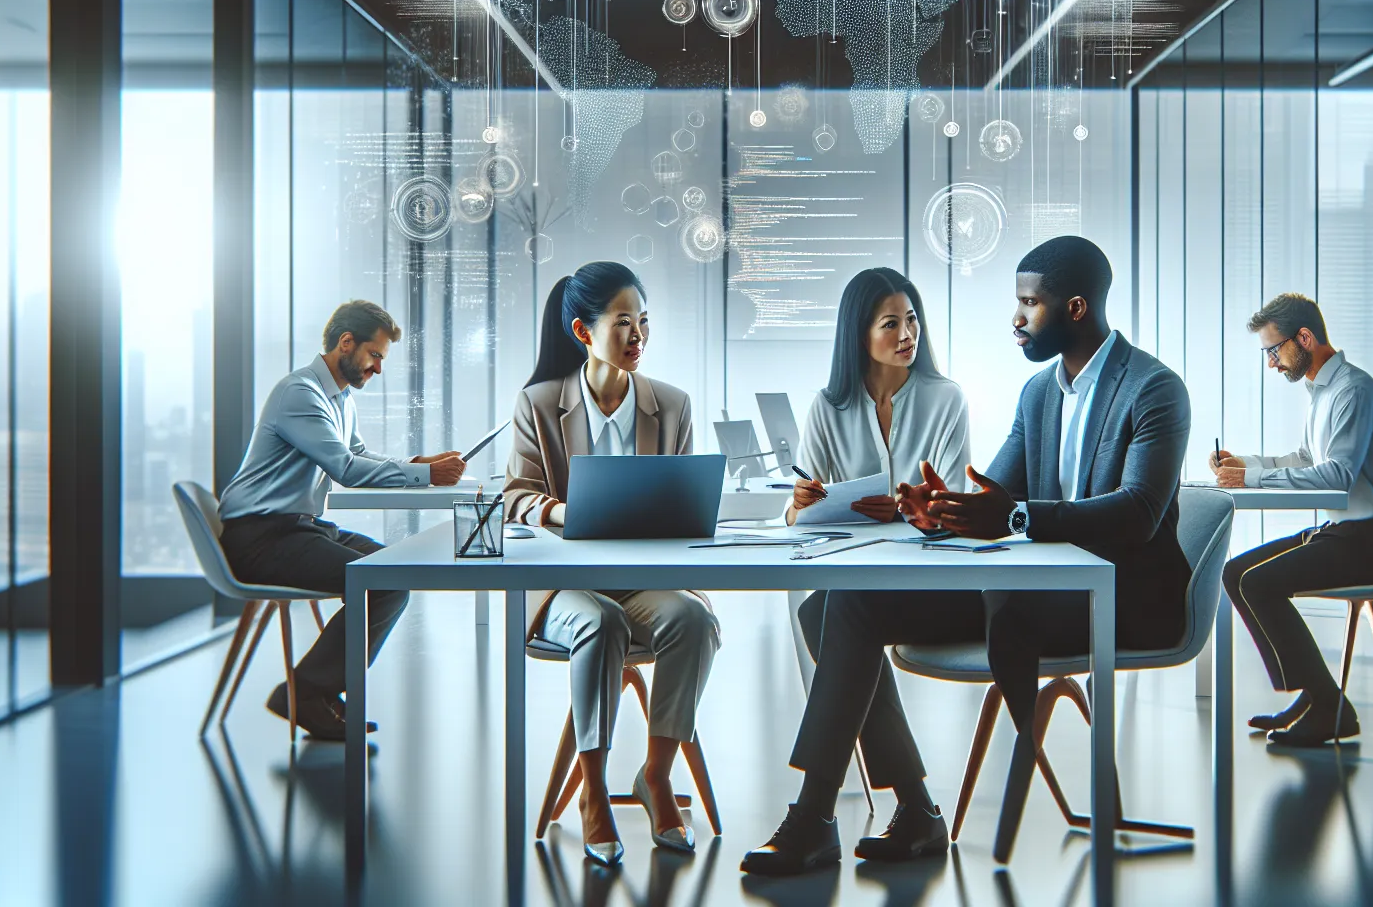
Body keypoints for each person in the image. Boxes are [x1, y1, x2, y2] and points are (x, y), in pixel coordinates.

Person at [743, 237, 1192, 875]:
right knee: (832, 608)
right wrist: (940, 511)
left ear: (1074, 307)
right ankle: (907, 812)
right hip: (1034, 587)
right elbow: (993, 496)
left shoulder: (1154, 389)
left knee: (840, 610)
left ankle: (816, 818)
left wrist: (1008, 516)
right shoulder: (1040, 393)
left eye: (1028, 304)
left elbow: (1137, 514)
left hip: (1119, 596)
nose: (1015, 319)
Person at [503, 261, 720, 866]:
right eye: (623, 322)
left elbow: (682, 501)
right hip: (563, 588)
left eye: (644, 321)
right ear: (582, 331)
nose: (638, 335)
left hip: (642, 583)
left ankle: (656, 774)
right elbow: (515, 494)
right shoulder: (540, 404)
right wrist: (559, 513)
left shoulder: (671, 406)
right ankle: (593, 790)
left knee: (694, 620)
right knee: (601, 623)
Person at [219, 300, 466, 740]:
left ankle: (315, 690)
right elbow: (346, 471)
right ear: (346, 343)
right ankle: (306, 693)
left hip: (296, 527)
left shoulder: (339, 397)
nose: (377, 368)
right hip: (261, 536)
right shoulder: (300, 393)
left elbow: (354, 454)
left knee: (396, 573)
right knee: (383, 580)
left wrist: (416, 463)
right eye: (375, 355)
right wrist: (426, 475)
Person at [1215, 294, 1373, 747]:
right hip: (1345, 532)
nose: (1271, 363)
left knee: (1257, 583)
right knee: (1235, 573)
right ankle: (1314, 696)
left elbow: (1337, 476)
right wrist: (1243, 466)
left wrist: (1256, 479)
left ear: (1304, 338)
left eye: (1274, 350)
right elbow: (1309, 459)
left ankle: (1327, 705)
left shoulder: (1353, 391)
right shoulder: (1323, 391)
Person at [788, 267, 970, 524]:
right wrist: (799, 502)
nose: (907, 335)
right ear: (861, 336)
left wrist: (902, 513)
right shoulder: (827, 406)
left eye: (911, 319)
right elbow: (804, 510)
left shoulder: (947, 399)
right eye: (891, 324)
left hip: (926, 556)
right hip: (848, 557)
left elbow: (956, 502)